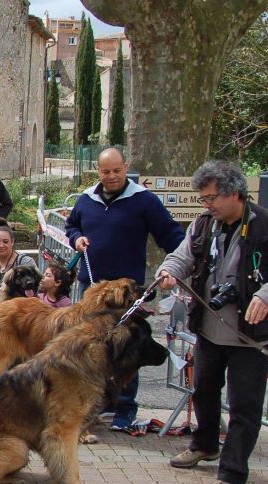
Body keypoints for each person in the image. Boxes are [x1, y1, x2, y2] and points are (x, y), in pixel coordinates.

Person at [156, 160, 268, 484]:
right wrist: (168, 271)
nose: (206, 205)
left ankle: (233, 474)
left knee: (244, 406)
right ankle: (204, 445)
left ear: (235, 194)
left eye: (211, 198)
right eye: (203, 199)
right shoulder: (202, 225)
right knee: (203, 392)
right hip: (210, 331)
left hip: (250, 337)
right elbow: (180, 257)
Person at [65, 147, 185, 432]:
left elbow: (172, 236)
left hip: (127, 293)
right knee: (91, 347)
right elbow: (72, 226)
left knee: (128, 348)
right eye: (106, 172)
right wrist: (76, 239)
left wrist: (177, 266)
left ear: (125, 167)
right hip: (92, 288)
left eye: (116, 171)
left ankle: (125, 408)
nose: (111, 176)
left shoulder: (144, 201)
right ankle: (95, 403)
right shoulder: (86, 199)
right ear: (98, 171)